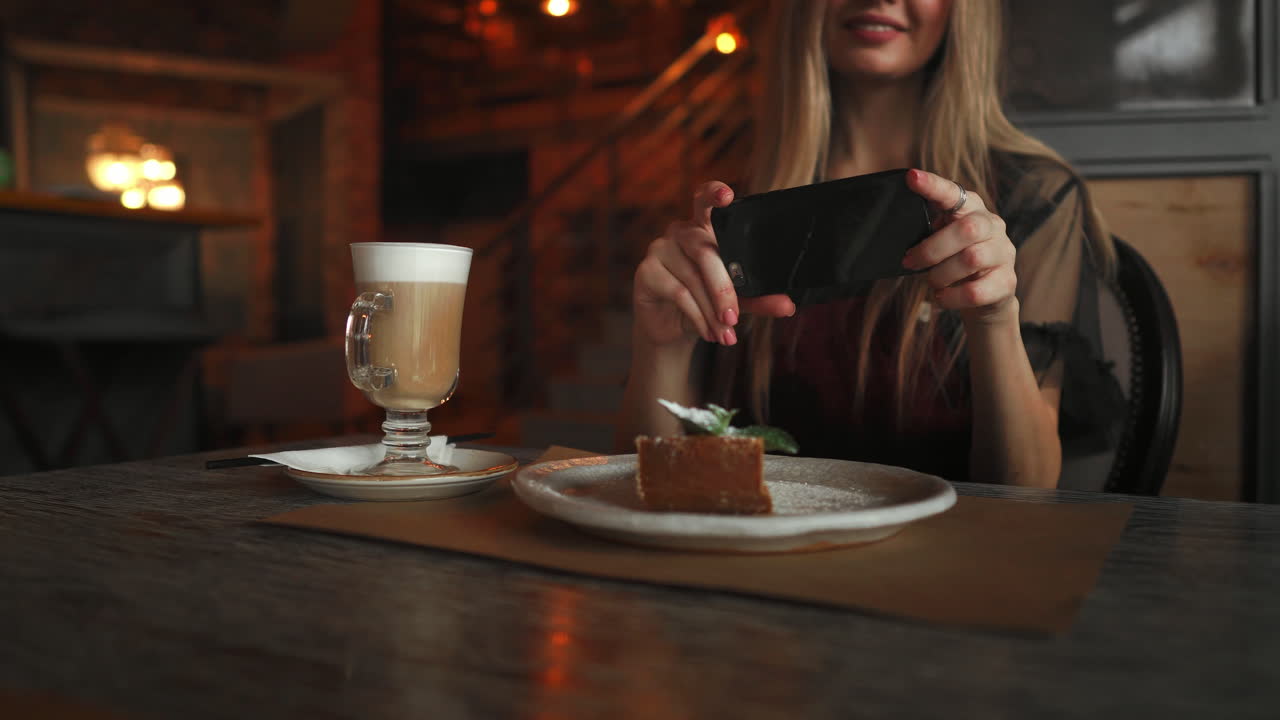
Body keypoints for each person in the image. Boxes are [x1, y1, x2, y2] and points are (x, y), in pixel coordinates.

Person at [616, 0, 1124, 488]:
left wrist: (992, 320)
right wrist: (660, 344)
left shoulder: (1031, 196)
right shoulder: (734, 207)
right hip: (757, 557)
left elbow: (1026, 493)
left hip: (944, 563)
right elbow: (653, 478)